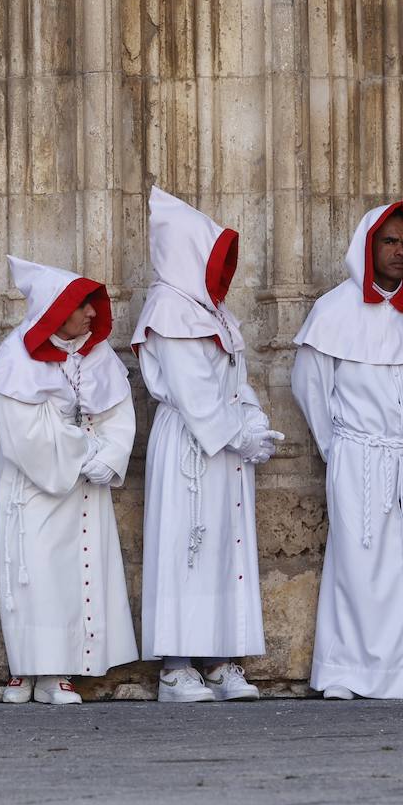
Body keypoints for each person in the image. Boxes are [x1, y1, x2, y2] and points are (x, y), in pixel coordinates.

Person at [292, 202, 403, 700]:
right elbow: (311, 386)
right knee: (359, 565)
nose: (400, 251)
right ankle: (348, 672)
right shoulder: (333, 311)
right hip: (358, 455)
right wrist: (339, 448)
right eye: (389, 242)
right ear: (368, 248)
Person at [131, 186, 283, 703]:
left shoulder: (212, 311)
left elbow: (235, 378)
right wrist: (239, 434)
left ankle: (218, 657)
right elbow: (193, 393)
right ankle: (175, 666)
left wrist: (255, 419)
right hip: (190, 447)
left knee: (222, 545)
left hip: (224, 447)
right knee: (185, 546)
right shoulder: (168, 309)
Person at [0, 256, 139, 705]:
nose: (92, 314)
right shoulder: (16, 354)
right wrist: (83, 450)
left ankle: (59, 672)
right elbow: (22, 430)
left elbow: (117, 413)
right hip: (35, 483)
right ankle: (27, 667)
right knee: (34, 570)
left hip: (84, 485)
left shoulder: (97, 353)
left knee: (75, 572)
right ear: (56, 310)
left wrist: (107, 456)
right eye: (83, 306)